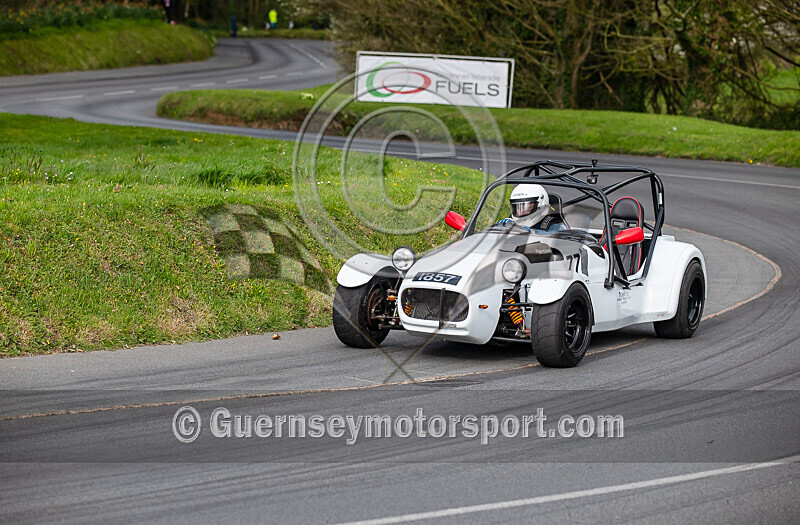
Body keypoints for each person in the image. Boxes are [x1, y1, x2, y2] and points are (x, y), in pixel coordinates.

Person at [498, 184, 567, 234]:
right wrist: (497, 228)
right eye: (517, 207)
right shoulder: (511, 221)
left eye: (526, 207)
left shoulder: (555, 225)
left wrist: (528, 231)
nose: (521, 211)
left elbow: (556, 237)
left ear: (541, 204)